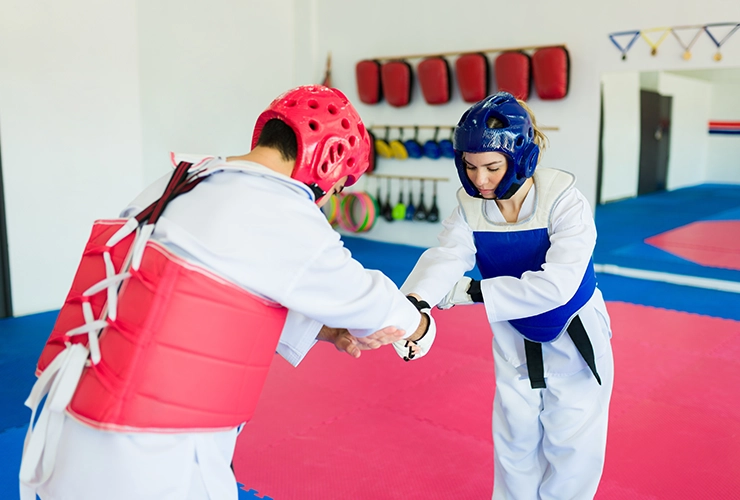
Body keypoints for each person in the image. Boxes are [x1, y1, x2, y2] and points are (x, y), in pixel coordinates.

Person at [19, 85, 435, 500]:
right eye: (339, 189)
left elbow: (187, 284)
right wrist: (419, 326)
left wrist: (321, 329)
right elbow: (370, 300)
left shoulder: (180, 180)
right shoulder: (280, 208)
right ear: (328, 163)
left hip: (63, 432)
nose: (329, 202)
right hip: (148, 451)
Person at [400, 91, 614, 499]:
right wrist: (414, 305)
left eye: (492, 167)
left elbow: (558, 285)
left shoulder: (564, 200)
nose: (480, 179)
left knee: (571, 446)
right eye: (471, 167)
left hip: (574, 332)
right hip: (513, 334)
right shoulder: (471, 205)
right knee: (514, 442)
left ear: (523, 158)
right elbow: (447, 255)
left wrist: (475, 292)